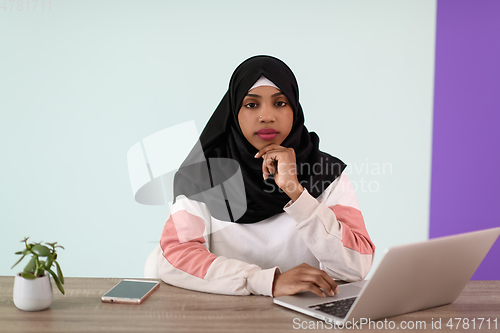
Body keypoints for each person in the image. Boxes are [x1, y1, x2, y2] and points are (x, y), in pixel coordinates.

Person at [158, 55, 375, 297]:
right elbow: (174, 258)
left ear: (295, 108)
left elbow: (357, 266)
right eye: (251, 105)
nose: (267, 116)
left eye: (280, 103)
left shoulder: (326, 173)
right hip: (226, 318)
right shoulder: (202, 176)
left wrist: (296, 191)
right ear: (234, 111)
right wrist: (266, 281)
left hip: (306, 317)